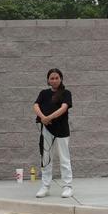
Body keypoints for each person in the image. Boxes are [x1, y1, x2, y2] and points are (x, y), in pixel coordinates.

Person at [32, 67, 73, 198]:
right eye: (52, 78)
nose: (54, 80)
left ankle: (67, 186)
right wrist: (43, 118)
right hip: (46, 130)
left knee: (64, 159)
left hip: (61, 131)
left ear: (60, 79)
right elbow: (36, 105)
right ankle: (45, 186)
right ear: (48, 80)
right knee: (46, 159)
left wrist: (49, 118)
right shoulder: (43, 93)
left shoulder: (66, 93)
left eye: (56, 78)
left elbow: (64, 108)